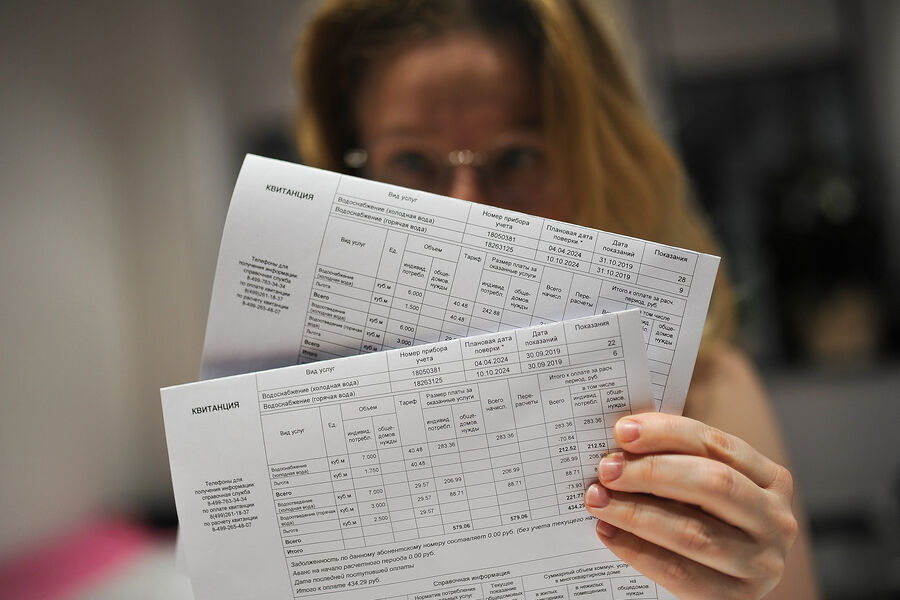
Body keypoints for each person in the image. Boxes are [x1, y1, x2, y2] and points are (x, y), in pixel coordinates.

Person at [292, 1, 819, 597]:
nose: (466, 208)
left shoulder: (706, 393)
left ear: (596, 164)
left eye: (517, 156)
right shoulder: (289, 414)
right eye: (411, 160)